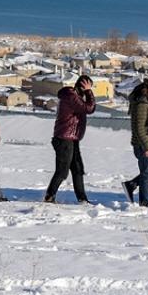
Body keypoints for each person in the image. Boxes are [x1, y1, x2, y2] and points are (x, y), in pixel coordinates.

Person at [44, 74, 96, 204]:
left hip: (72, 138)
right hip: (64, 139)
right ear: (83, 86)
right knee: (62, 171)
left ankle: (82, 199)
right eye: (89, 87)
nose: (90, 90)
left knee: (78, 169)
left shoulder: (74, 96)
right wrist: (89, 92)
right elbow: (89, 108)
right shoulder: (71, 96)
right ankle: (49, 196)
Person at [122, 76, 148, 207]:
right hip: (143, 143)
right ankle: (144, 201)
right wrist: (147, 147)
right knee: (146, 172)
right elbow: (139, 128)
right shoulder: (142, 104)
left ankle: (131, 184)